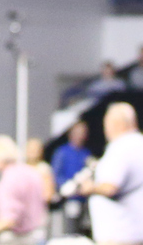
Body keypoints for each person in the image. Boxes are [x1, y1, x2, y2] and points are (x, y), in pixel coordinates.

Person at [79, 102, 143, 245]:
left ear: (118, 124)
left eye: (106, 124)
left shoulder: (120, 147)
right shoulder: (139, 142)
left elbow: (110, 187)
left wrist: (89, 187)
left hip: (120, 233)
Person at [52, 120, 92, 236]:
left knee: (83, 231)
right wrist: (68, 187)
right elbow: (56, 175)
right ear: (71, 134)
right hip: (69, 199)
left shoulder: (85, 153)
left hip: (84, 199)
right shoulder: (62, 152)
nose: (81, 136)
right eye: (78, 132)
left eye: (83, 133)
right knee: (70, 231)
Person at [25, 139, 56, 214]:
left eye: (35, 150)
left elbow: (48, 194)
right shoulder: (20, 168)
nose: (33, 152)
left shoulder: (44, 169)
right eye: (31, 150)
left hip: (39, 210)